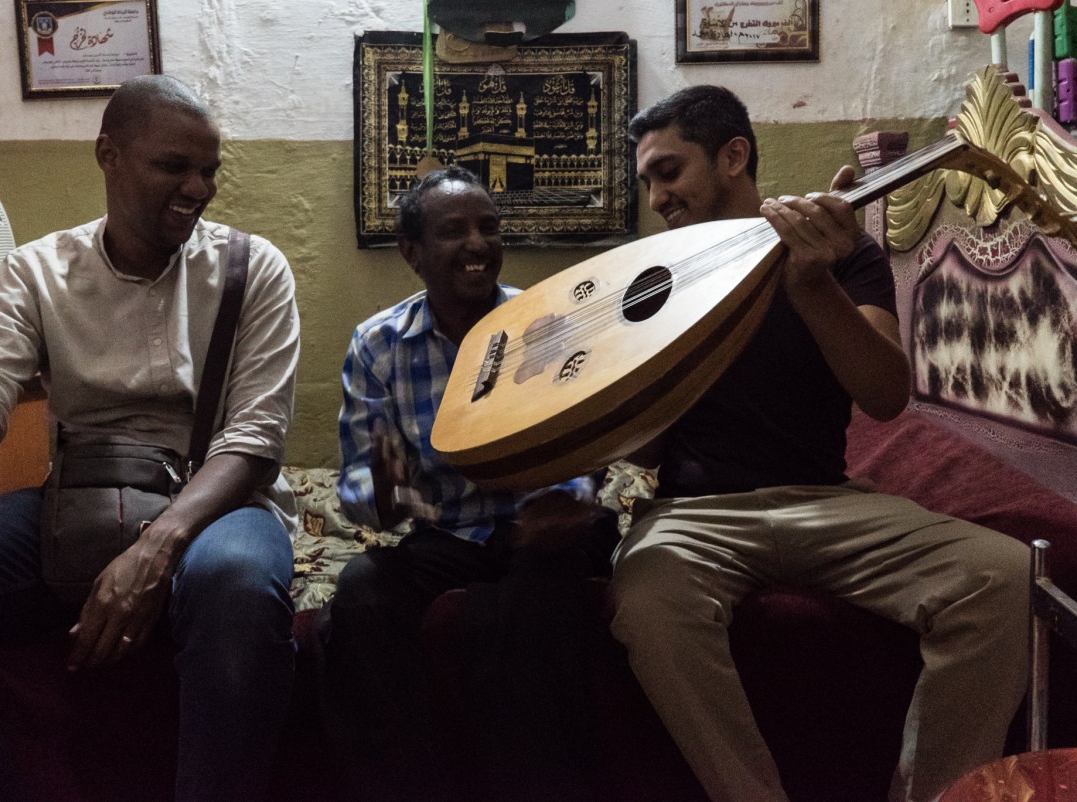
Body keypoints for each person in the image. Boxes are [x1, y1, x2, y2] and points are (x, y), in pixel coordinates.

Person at [0, 75, 300, 802]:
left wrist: (155, 550)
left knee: (237, 587)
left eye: (209, 170)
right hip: (78, 499)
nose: (199, 189)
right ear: (109, 156)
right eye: (174, 166)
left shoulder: (252, 269)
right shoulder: (38, 273)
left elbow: (255, 438)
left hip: (219, 502)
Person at [608, 85, 1029, 802]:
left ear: (733, 156)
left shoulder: (841, 252)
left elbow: (884, 395)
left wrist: (811, 285)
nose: (657, 198)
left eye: (669, 172)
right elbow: (644, 455)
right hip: (695, 516)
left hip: (827, 502)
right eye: (648, 180)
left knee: (1005, 575)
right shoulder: (653, 280)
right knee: (647, 600)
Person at [317, 165, 618, 802]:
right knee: (361, 593)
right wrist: (384, 497)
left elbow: (589, 446)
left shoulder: (548, 322)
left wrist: (574, 498)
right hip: (449, 533)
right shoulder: (377, 344)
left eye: (489, 227)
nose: (478, 244)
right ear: (412, 252)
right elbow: (359, 482)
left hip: (544, 529)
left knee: (529, 608)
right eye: (454, 231)